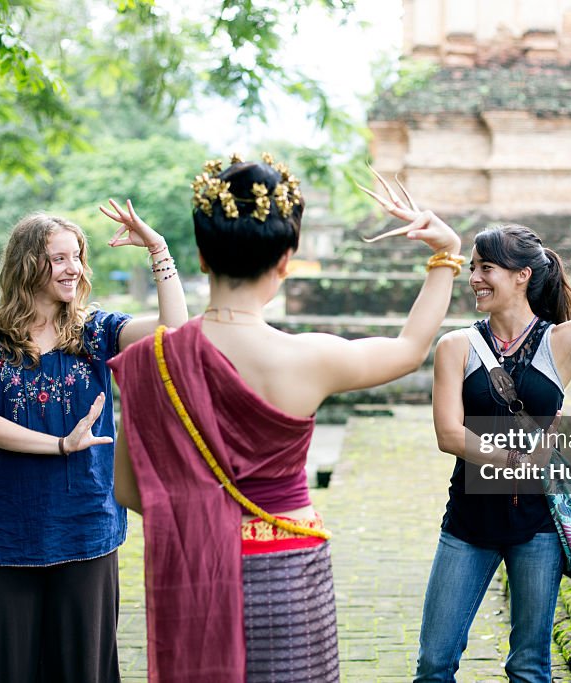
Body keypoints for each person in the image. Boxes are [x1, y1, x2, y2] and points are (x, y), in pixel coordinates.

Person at [108, 154, 462, 683]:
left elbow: (130, 492)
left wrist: (203, 519)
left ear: (203, 257)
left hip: (195, 576)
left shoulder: (149, 362)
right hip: (288, 567)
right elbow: (410, 348)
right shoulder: (308, 358)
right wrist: (446, 255)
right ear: (286, 261)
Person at [416, 196, 571, 682]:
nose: (474, 278)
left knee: (530, 666)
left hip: (538, 527)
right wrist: (515, 457)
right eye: (472, 267)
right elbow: (449, 435)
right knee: (434, 664)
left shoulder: (565, 342)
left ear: (521, 276)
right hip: (467, 523)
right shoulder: (456, 346)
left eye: (486, 267)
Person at [0, 201, 188, 683]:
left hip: (87, 523)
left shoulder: (97, 331)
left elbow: (176, 330)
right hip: (12, 527)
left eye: (77, 256)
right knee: (8, 665)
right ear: (27, 264)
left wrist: (158, 249)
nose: (73, 268)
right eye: (59, 258)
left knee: (82, 666)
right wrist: (61, 445)